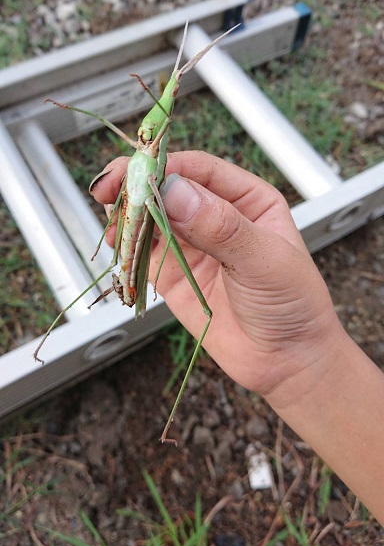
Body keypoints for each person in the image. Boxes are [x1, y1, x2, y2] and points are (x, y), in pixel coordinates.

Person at [90, 150, 384, 525]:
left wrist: (301, 355)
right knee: (123, 234)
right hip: (135, 219)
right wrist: (306, 358)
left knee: (200, 302)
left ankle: (169, 420)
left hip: (149, 225)